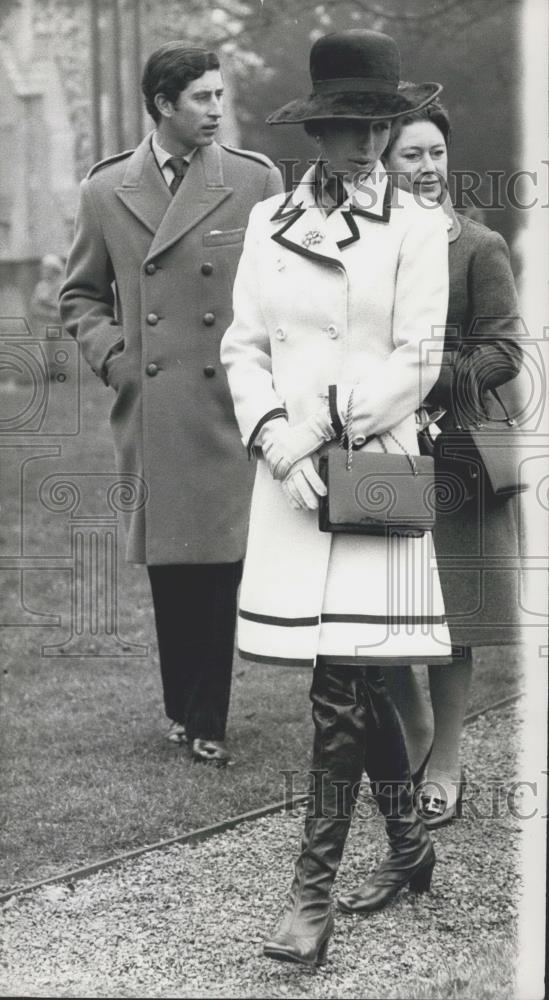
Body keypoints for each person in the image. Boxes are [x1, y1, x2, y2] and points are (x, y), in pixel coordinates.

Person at [221, 29, 450, 966]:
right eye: (339, 127)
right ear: (315, 129)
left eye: (372, 126)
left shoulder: (419, 229)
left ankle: (307, 898)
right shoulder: (269, 222)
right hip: (294, 479)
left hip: (371, 470)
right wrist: (275, 439)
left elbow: (417, 358)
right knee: (350, 674)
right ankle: (407, 844)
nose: (356, 145)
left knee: (339, 687)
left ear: (388, 126)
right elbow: (242, 348)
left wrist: (315, 421)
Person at [60, 43, 283, 766]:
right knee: (171, 566)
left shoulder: (253, 181)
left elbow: (281, 288)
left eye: (220, 97)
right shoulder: (106, 190)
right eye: (201, 99)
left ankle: (204, 716)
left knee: (218, 563)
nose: (216, 110)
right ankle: (179, 709)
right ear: (162, 105)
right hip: (155, 404)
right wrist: (118, 361)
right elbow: (80, 296)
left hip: (228, 401)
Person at [382, 96, 523, 824]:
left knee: (447, 615)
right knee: (381, 610)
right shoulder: (360, 245)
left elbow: (502, 353)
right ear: (382, 161)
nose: (428, 168)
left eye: (435, 153)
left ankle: (444, 762)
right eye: (411, 154)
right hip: (373, 450)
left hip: (450, 452)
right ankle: (416, 740)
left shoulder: (475, 245)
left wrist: (421, 369)